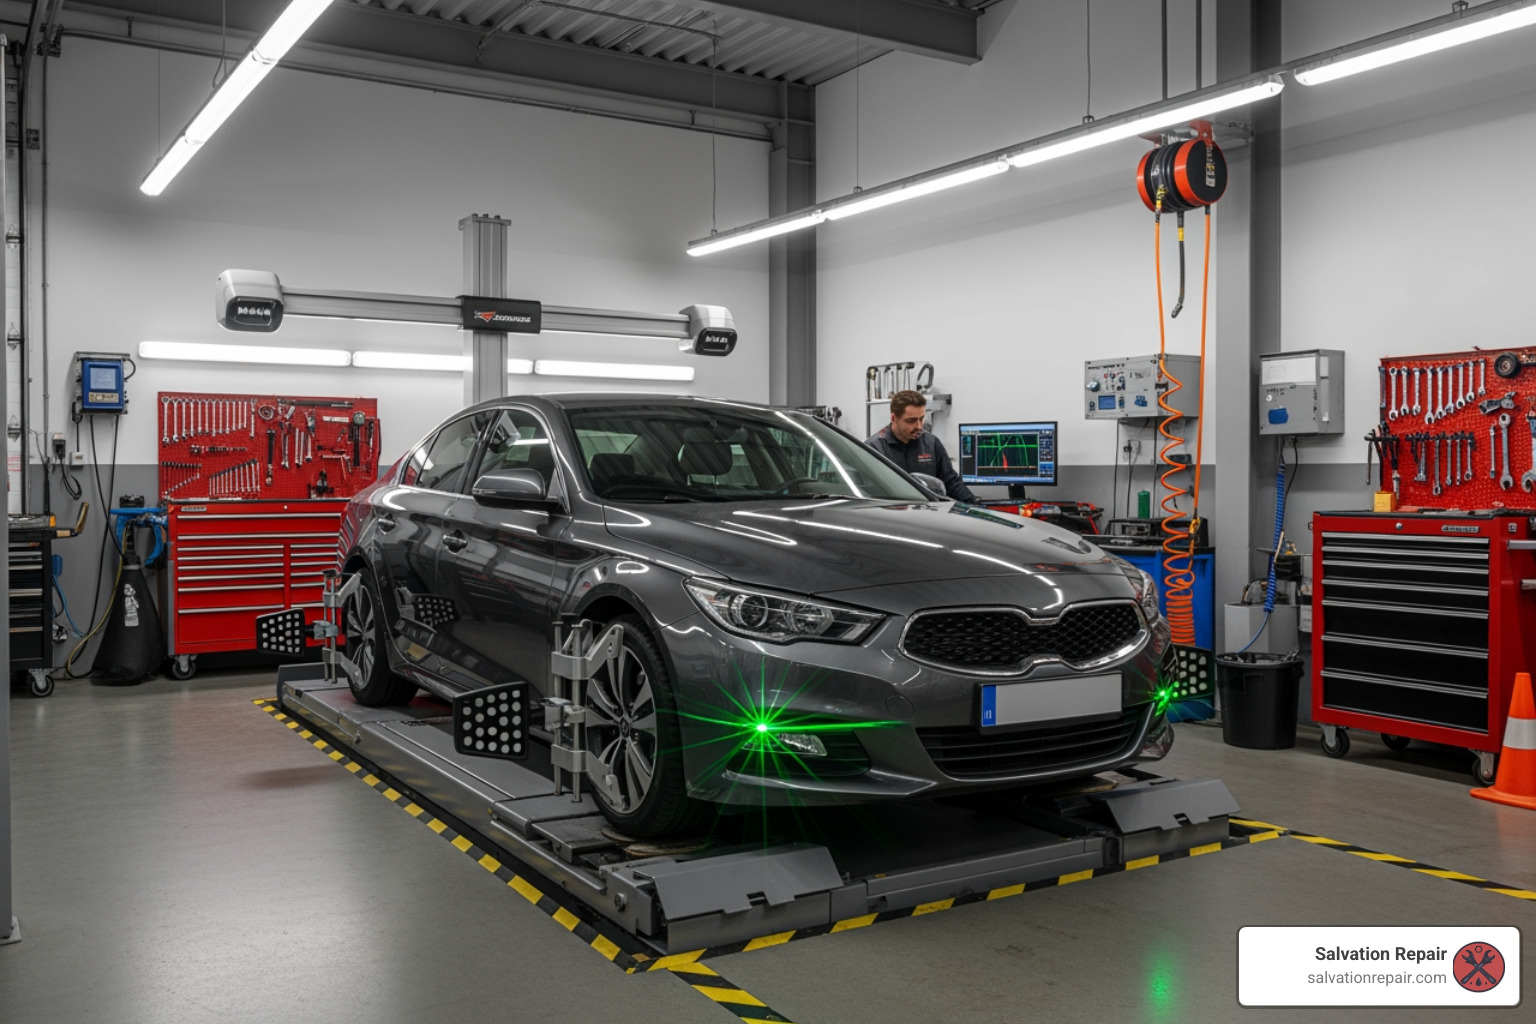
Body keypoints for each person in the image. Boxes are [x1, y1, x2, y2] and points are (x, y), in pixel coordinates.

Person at [865, 390, 978, 503]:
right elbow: (867, 492)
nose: (918, 426)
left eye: (921, 418)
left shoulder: (931, 443)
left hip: (928, 513)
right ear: (894, 418)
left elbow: (951, 481)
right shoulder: (873, 448)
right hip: (891, 514)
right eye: (911, 420)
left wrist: (973, 505)